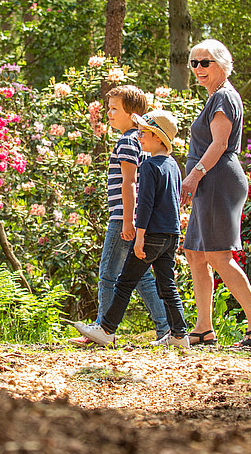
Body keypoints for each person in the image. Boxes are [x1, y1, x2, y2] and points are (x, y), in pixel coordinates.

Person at [181, 39, 251, 347]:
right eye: (194, 63)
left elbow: (219, 144)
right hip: (209, 181)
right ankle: (204, 327)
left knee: (219, 255)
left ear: (222, 64)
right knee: (195, 253)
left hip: (217, 179)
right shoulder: (215, 98)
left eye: (205, 62)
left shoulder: (224, 97)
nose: (198, 69)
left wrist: (194, 175)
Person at [73, 110, 190, 347]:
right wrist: (174, 236)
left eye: (145, 132)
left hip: (150, 234)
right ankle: (180, 335)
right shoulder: (174, 167)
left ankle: (106, 330)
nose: (139, 136)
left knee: (124, 283)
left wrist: (140, 236)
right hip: (170, 235)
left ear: (159, 138)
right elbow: (174, 203)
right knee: (167, 285)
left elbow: (144, 205)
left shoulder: (147, 167)